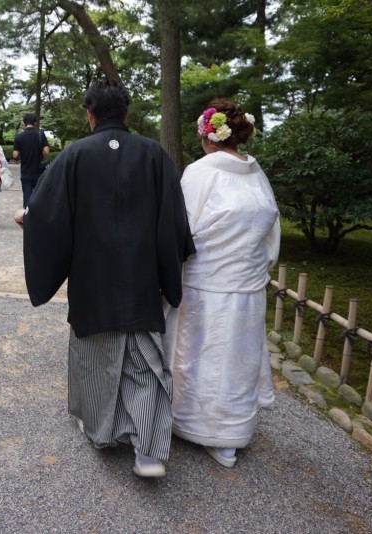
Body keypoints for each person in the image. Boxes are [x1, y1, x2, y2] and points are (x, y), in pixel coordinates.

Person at [16, 79, 195, 478]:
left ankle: (102, 433)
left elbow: (47, 214)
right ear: (126, 114)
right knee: (146, 363)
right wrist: (170, 273)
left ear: (90, 114)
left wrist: (27, 221)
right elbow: (173, 221)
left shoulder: (74, 155)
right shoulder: (154, 154)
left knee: (96, 357)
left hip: (92, 278)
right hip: (142, 277)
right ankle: (149, 453)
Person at [162, 99, 280, 468]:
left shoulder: (201, 172)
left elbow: (180, 228)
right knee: (236, 361)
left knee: (198, 357)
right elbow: (270, 236)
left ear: (206, 135)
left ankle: (188, 424)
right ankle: (230, 434)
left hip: (205, 285)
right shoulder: (256, 174)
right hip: (246, 286)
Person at [12, 113, 50, 208]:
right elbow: (46, 152)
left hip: (25, 172)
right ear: (35, 123)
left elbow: (15, 155)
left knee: (27, 197)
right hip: (39, 171)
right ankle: (39, 219)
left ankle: (27, 220)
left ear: (24, 123)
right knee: (40, 196)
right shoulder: (40, 134)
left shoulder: (19, 137)